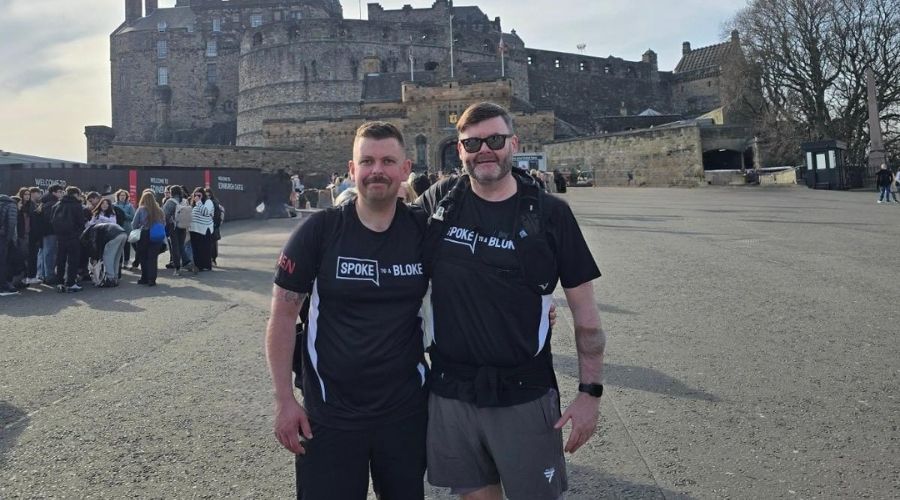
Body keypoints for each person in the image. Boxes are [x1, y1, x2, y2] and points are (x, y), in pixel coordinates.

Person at [416, 102, 604, 500]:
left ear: (513, 143)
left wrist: (590, 393)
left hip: (523, 392)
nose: (484, 149)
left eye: (495, 140)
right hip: (451, 389)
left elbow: (587, 317)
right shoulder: (439, 202)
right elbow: (385, 237)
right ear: (460, 149)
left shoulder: (551, 214)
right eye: (472, 143)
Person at [266, 121, 429, 500]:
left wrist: (534, 312)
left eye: (388, 161)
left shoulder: (423, 231)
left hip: (405, 414)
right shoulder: (319, 231)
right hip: (329, 414)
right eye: (367, 161)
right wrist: (284, 401)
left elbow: (474, 281)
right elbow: (283, 317)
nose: (377, 170)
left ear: (405, 169)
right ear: (352, 170)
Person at [50, 186, 86, 293]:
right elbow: (81, 222)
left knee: (60, 259)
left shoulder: (57, 205)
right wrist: (78, 233)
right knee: (72, 260)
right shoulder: (76, 205)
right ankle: (71, 283)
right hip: (73, 237)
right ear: (76, 194)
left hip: (60, 237)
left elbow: (51, 220)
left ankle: (60, 282)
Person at [132, 190, 166, 286]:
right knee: (153, 258)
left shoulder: (141, 209)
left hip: (144, 234)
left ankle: (144, 278)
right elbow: (164, 223)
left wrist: (138, 228)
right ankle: (152, 279)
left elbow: (134, 224)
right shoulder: (159, 210)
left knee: (143, 257)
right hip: (156, 235)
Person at [80, 222, 127, 287]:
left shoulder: (91, 231)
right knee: (116, 257)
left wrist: (94, 256)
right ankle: (115, 277)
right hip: (123, 233)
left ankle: (110, 279)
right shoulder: (96, 227)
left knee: (108, 257)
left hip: (113, 236)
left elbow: (94, 245)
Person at [37, 184, 64, 285]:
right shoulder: (53, 203)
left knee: (45, 253)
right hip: (51, 232)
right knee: (50, 254)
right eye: (60, 192)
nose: (62, 194)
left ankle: (44, 275)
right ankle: (50, 276)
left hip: (45, 232)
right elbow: (52, 220)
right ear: (54, 193)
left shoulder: (45, 202)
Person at [188, 188, 215, 271]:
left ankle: (205, 265)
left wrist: (199, 202)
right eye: (195, 195)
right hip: (194, 229)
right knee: (195, 249)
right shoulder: (193, 204)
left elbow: (205, 212)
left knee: (204, 248)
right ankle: (197, 265)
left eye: (199, 195)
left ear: (203, 195)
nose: (197, 197)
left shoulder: (208, 202)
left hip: (204, 229)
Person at [0, 191, 19, 296]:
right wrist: (9, 239)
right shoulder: (11, 205)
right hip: (3, 237)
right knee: (3, 262)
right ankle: (3, 286)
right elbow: (11, 224)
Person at [113, 190, 136, 268]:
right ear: (118, 196)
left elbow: (132, 217)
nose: (122, 197)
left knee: (126, 246)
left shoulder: (130, 206)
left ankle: (126, 262)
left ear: (127, 197)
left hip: (126, 228)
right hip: (116, 228)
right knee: (118, 246)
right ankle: (118, 262)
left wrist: (122, 213)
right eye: (121, 195)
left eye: (124, 195)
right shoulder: (113, 205)